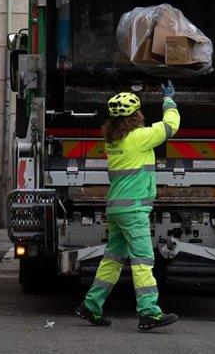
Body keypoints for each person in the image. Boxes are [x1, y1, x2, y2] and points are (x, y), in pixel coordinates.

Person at [75, 81, 180, 331]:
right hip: (133, 211)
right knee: (143, 260)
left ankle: (91, 306)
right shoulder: (139, 138)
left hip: (116, 209)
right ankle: (148, 312)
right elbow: (170, 126)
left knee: (112, 260)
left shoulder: (113, 143)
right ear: (136, 117)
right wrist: (168, 100)